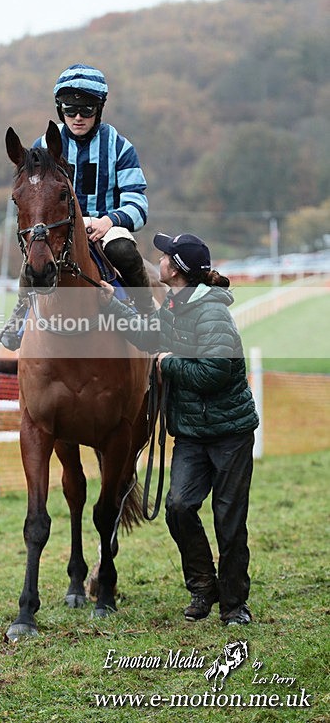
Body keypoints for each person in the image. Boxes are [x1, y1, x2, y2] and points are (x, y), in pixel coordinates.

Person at [99, 232, 259, 626]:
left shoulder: (212, 313)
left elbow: (217, 371)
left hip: (229, 433)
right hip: (190, 431)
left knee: (229, 520)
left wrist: (167, 364)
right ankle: (204, 587)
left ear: (178, 269)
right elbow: (148, 331)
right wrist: (111, 303)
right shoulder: (173, 304)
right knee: (178, 507)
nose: (161, 259)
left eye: (167, 255)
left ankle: (235, 605)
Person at [0, 63, 152, 350]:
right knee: (35, 255)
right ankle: (19, 314)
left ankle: (149, 316)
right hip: (59, 228)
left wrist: (110, 220)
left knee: (124, 251)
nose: (78, 117)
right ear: (60, 110)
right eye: (70, 110)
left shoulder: (120, 147)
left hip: (106, 228)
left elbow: (138, 203)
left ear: (99, 109)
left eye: (87, 110)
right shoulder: (42, 145)